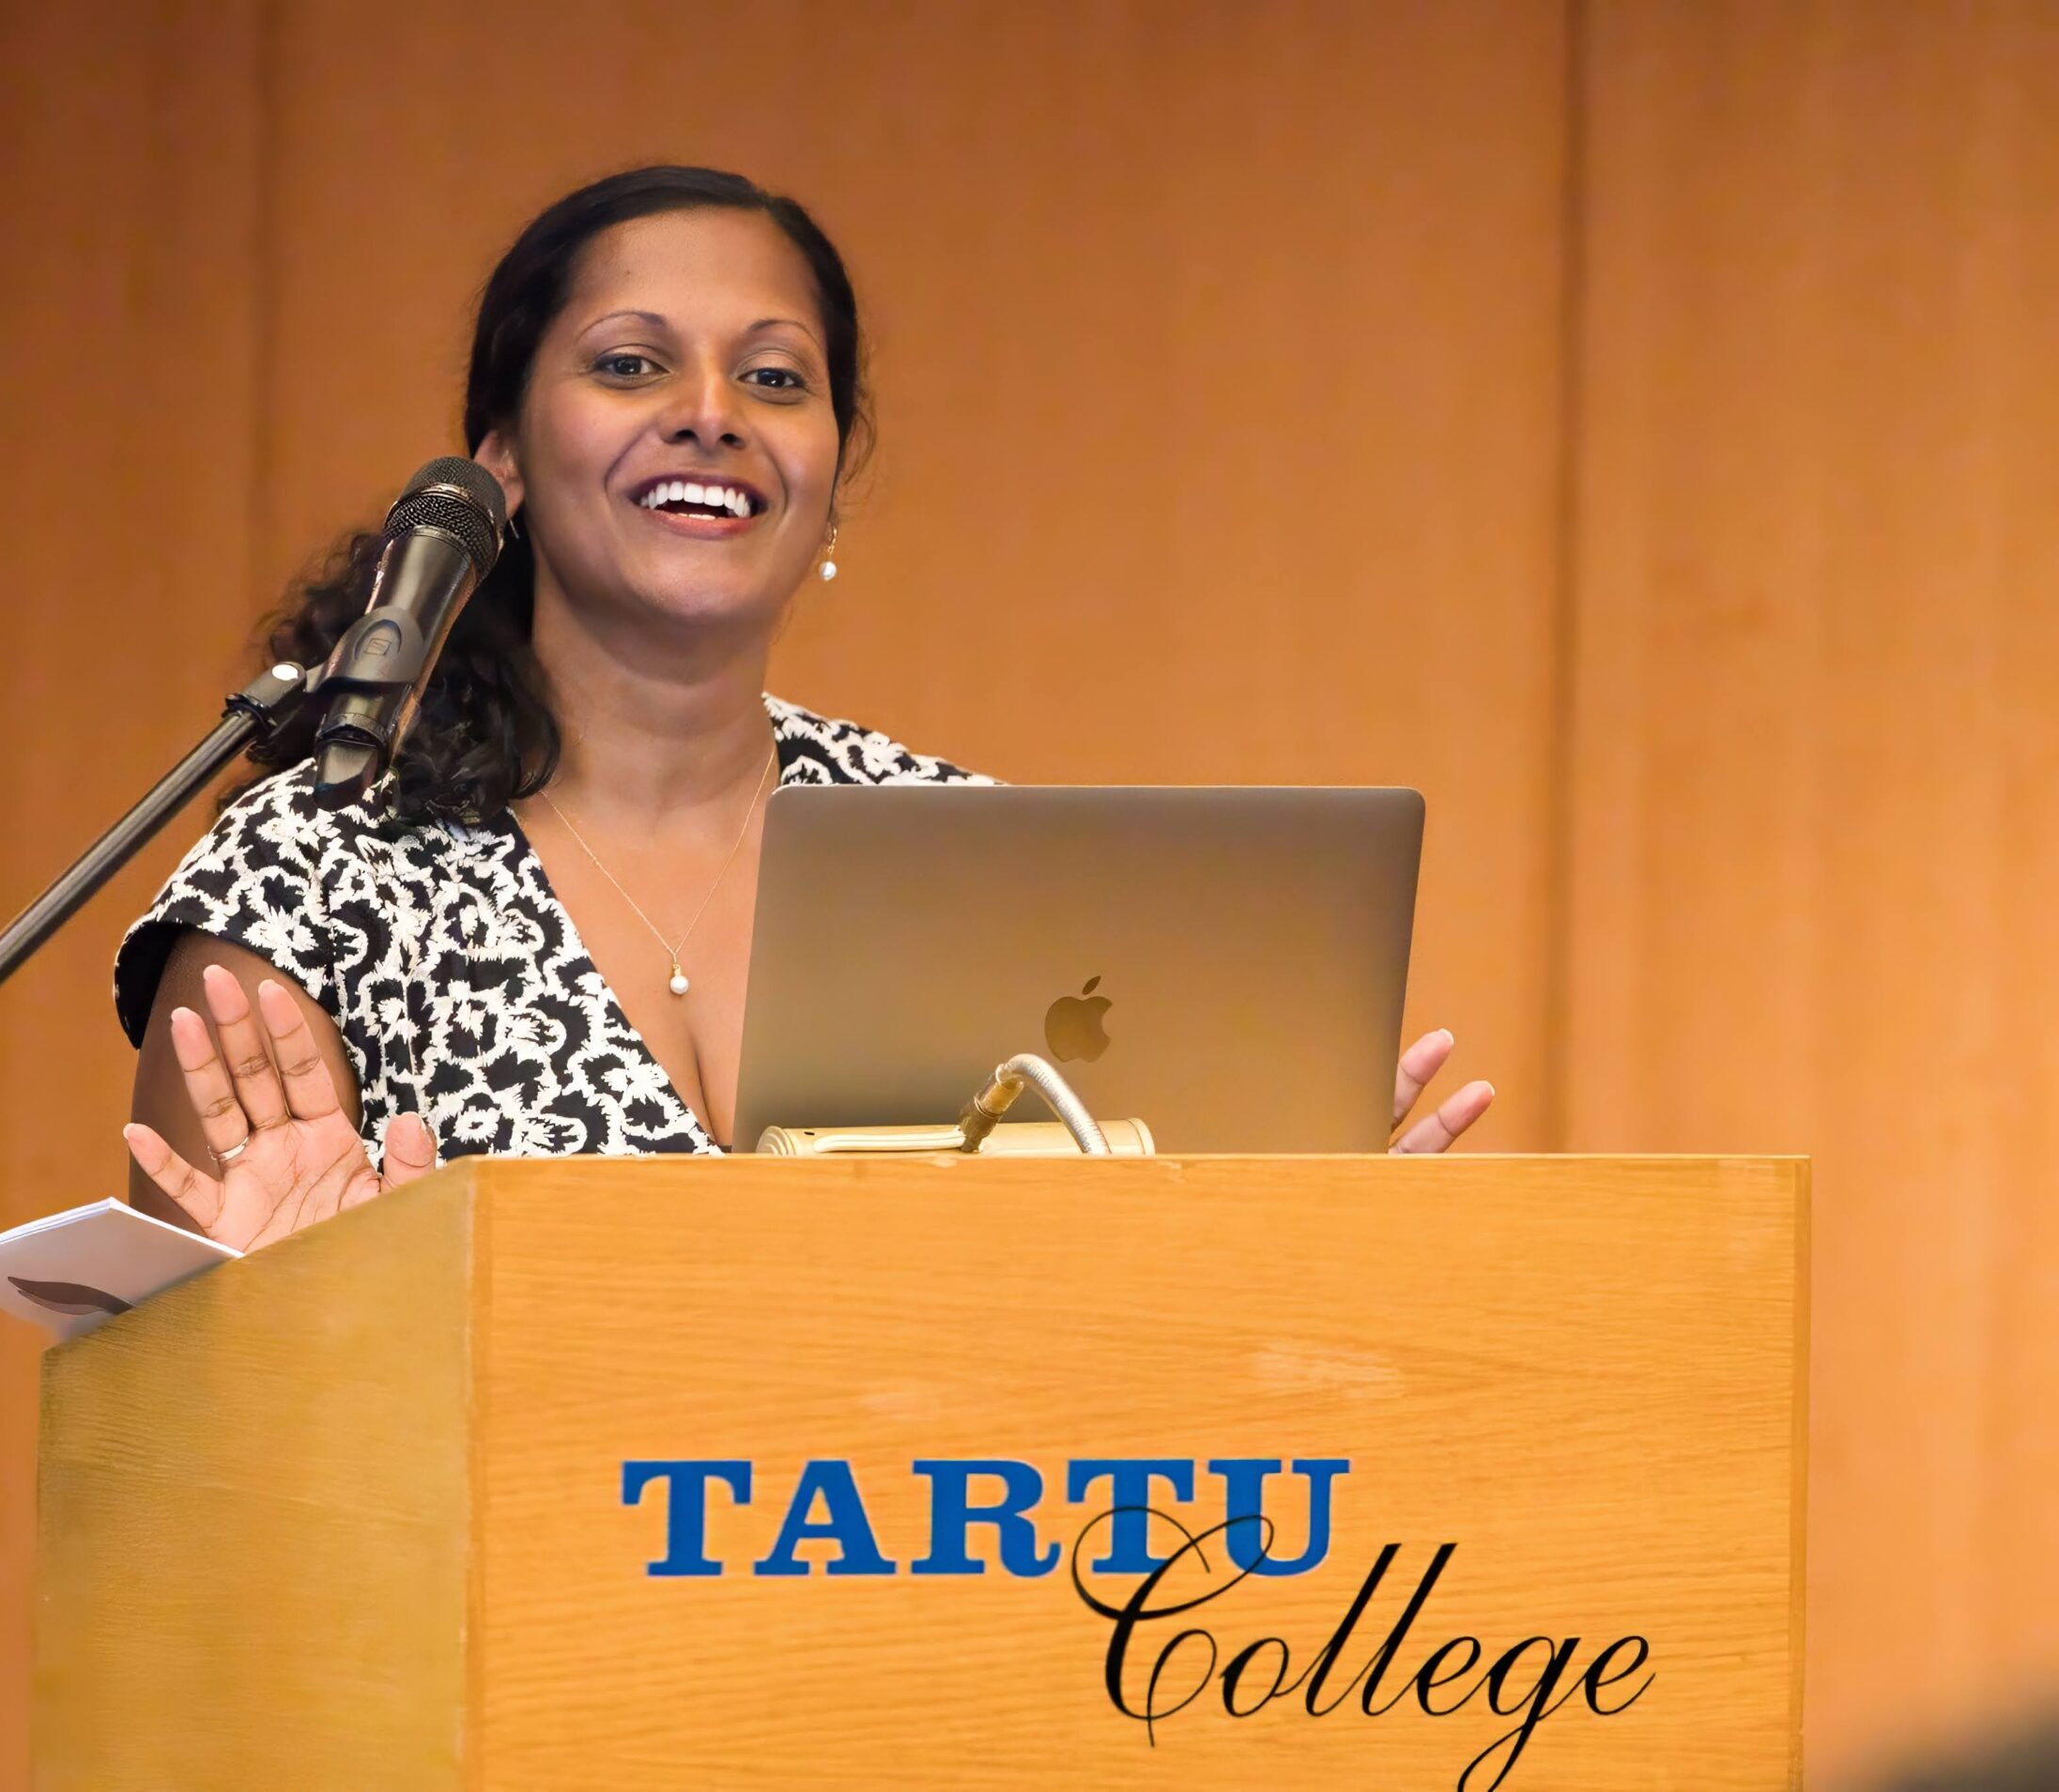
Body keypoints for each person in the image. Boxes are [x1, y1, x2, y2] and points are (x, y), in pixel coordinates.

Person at [115, 165, 1495, 1252]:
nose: (712, 412)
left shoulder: (969, 857)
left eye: (776, 377)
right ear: (502, 465)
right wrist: (300, 1311)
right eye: (630, 362)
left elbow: (1084, 1370)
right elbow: (200, 1448)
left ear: (830, 482)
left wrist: (1287, 1233)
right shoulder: (318, 872)